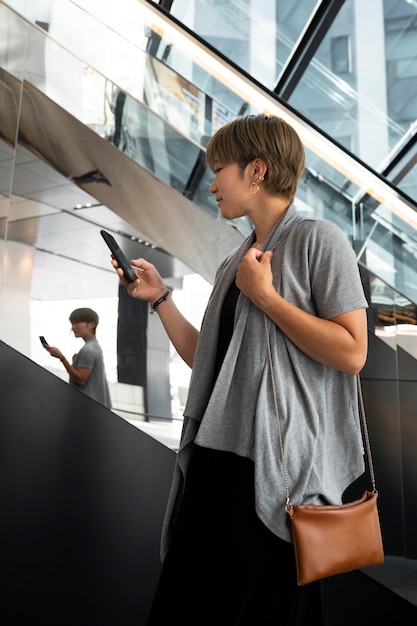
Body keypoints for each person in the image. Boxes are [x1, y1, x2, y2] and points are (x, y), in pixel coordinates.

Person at [111, 114, 368, 625]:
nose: (211, 183)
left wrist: (267, 297)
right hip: (216, 465)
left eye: (219, 169)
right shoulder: (236, 261)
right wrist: (159, 297)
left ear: (257, 170)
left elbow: (352, 352)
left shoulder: (320, 240)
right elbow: (210, 361)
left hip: (275, 476)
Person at [42, 307, 112, 410]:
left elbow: (81, 379)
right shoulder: (93, 347)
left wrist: (62, 358)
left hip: (89, 408)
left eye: (77, 323)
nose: (73, 327)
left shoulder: (89, 349)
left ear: (91, 325)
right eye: (72, 323)